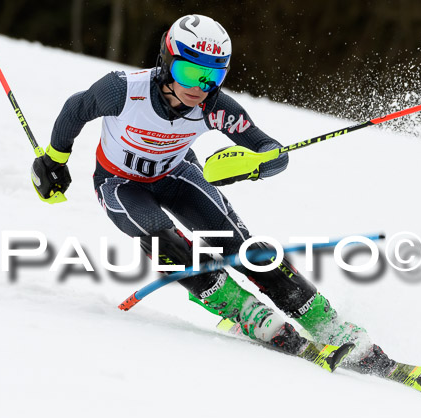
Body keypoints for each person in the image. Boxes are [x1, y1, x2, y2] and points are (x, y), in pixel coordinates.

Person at [31, 14, 393, 371]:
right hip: (120, 184)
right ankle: (245, 312)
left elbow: (268, 148)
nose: (199, 87)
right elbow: (75, 110)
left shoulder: (213, 106)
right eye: (190, 73)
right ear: (166, 62)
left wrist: (259, 163)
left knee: (244, 248)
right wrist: (55, 160)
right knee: (165, 242)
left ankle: (326, 323)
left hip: (176, 175)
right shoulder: (122, 90)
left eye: (212, 76)